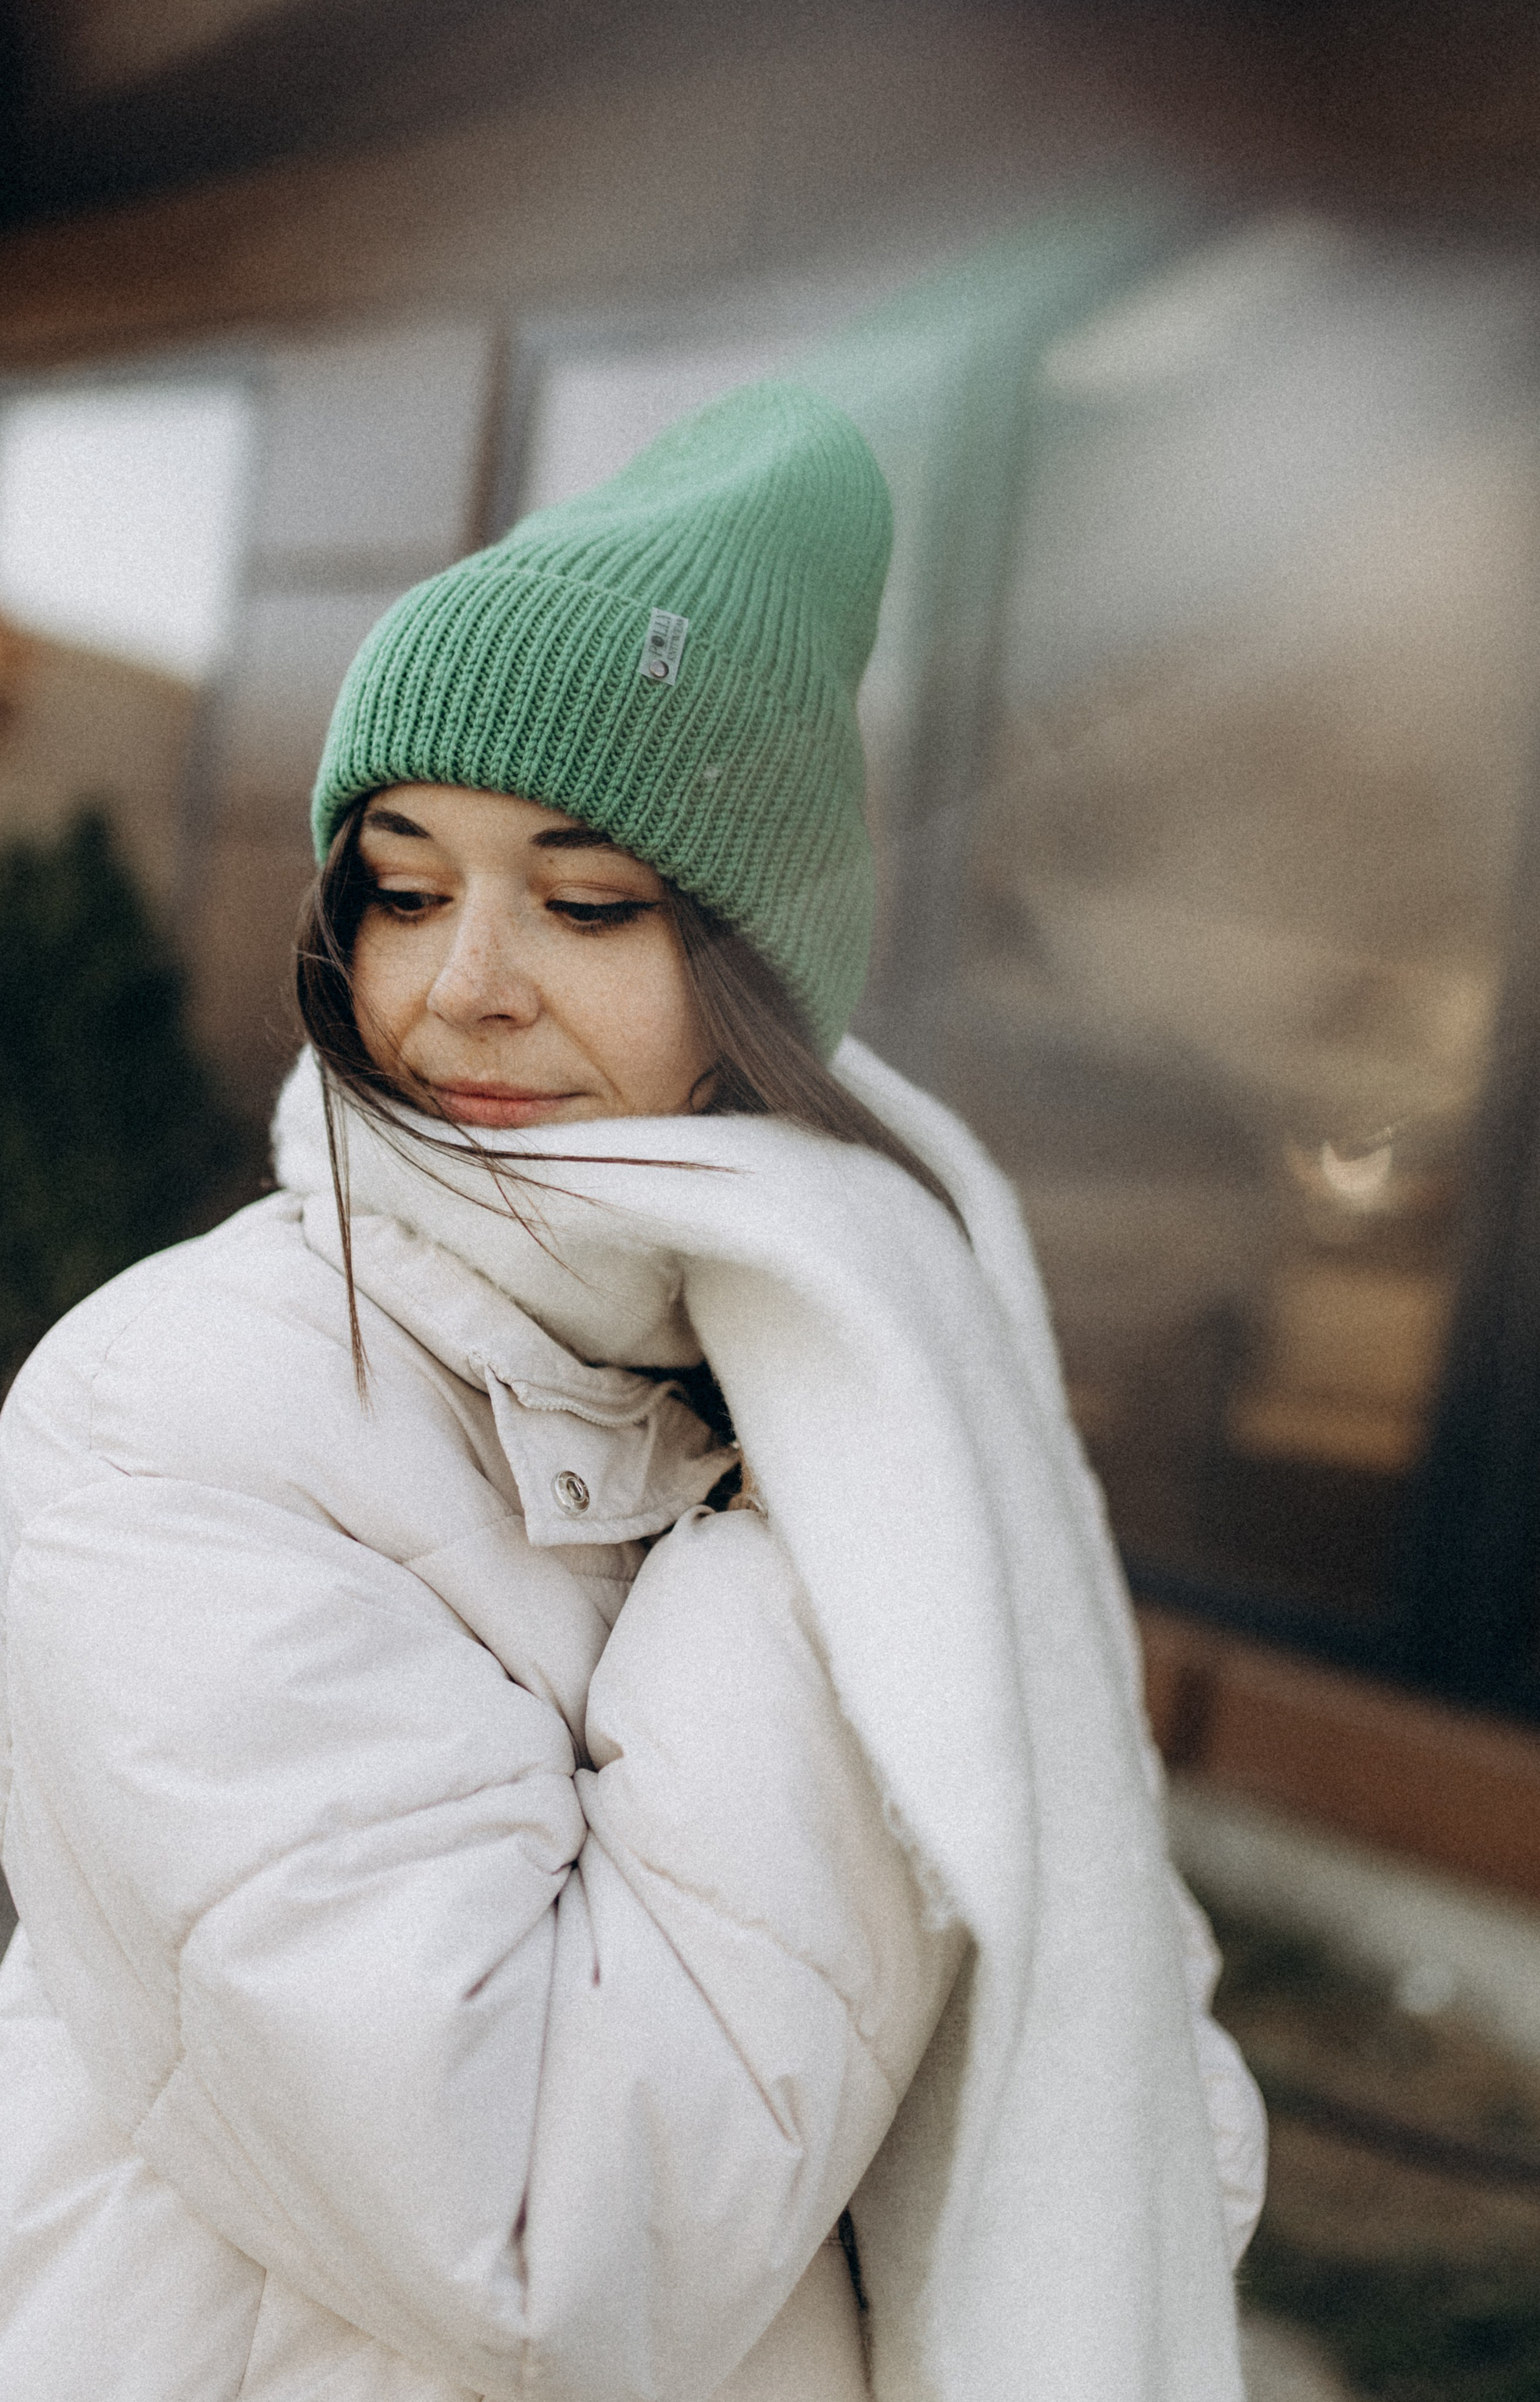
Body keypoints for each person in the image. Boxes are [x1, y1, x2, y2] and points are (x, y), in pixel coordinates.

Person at [0, 382, 1264, 2402]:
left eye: (588, 902)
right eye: (402, 887)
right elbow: (542, 2229)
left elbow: (1119, 2095)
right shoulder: (172, 1411)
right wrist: (830, 1541)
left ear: (760, 979)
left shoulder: (840, 1359)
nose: (461, 981)